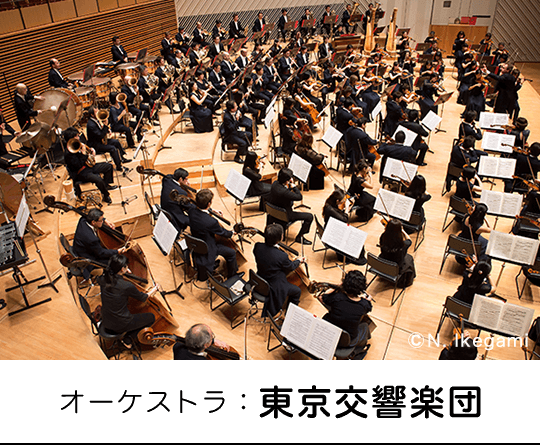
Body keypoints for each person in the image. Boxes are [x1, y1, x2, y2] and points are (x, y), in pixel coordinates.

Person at [253, 223, 305, 318]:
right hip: (274, 286)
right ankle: (289, 316)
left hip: (260, 279)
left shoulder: (257, 246)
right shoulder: (282, 256)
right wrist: (298, 261)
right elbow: (291, 266)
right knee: (297, 291)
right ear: (280, 238)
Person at [98, 254, 157, 336]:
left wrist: (123, 271)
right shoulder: (126, 286)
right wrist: (154, 289)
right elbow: (143, 297)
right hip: (120, 325)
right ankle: (128, 338)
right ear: (122, 269)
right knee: (151, 317)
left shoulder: (102, 279)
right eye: (126, 267)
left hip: (106, 319)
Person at [188, 189, 238, 281]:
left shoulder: (191, 210)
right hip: (208, 246)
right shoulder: (211, 222)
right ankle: (232, 277)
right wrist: (231, 233)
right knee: (232, 253)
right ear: (208, 204)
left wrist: (211, 211)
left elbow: (199, 211)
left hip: (196, 241)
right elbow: (223, 233)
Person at [316, 270, 373, 349]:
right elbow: (368, 308)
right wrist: (368, 300)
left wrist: (336, 288)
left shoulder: (337, 298)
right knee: (365, 325)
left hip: (330, 334)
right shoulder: (363, 304)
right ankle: (361, 345)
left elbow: (322, 297)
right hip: (347, 340)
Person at [63, 126, 116, 205]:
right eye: (76, 136)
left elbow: (87, 155)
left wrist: (91, 151)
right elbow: (78, 165)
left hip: (88, 167)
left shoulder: (78, 145)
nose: (78, 137)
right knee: (98, 179)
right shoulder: (68, 153)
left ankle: (106, 185)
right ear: (71, 139)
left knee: (108, 166)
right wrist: (84, 153)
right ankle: (106, 195)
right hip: (80, 172)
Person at [72, 208, 127, 280]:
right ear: (93, 222)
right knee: (114, 261)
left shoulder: (83, 219)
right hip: (86, 256)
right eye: (101, 220)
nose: (102, 221)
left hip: (78, 247)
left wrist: (105, 220)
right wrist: (117, 251)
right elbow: (101, 253)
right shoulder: (92, 239)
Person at [266, 167, 314, 246]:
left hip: (274, 212)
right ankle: (300, 237)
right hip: (285, 215)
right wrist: (294, 187)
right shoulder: (285, 192)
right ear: (286, 180)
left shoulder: (274, 183)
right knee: (309, 216)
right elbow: (299, 197)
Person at [322, 187, 367, 265]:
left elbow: (339, 216)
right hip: (332, 234)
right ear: (337, 201)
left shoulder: (331, 205)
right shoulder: (330, 209)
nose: (343, 203)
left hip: (333, 228)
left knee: (357, 236)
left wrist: (347, 209)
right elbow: (344, 220)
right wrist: (346, 209)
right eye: (342, 201)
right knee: (356, 238)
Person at [86, 106, 127, 172]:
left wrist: (107, 130)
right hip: (96, 145)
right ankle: (119, 166)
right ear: (92, 115)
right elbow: (100, 135)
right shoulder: (91, 125)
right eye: (96, 112)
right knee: (112, 148)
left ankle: (122, 158)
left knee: (116, 142)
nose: (98, 112)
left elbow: (101, 131)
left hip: (100, 141)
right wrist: (105, 126)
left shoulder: (96, 120)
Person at [379, 219, 416, 288]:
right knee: (409, 258)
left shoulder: (382, 237)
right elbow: (409, 240)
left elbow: (388, 234)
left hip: (383, 262)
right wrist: (403, 231)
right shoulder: (403, 245)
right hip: (395, 267)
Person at [160, 167, 193, 232]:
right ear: (180, 179)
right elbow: (189, 207)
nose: (187, 181)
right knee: (196, 219)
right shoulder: (181, 192)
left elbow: (170, 176)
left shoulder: (166, 179)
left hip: (165, 209)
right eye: (186, 179)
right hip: (176, 217)